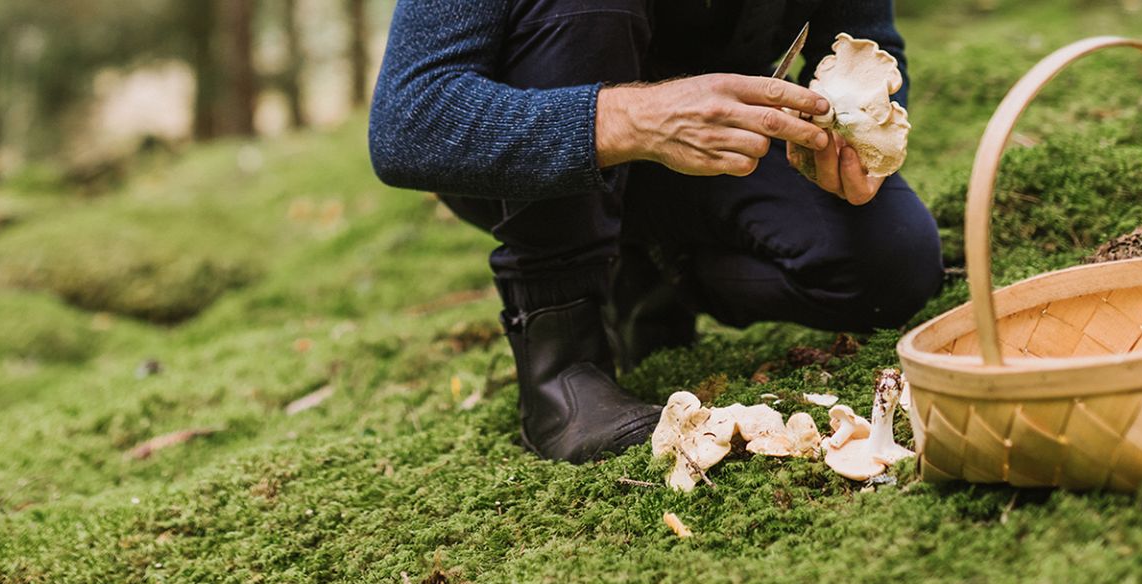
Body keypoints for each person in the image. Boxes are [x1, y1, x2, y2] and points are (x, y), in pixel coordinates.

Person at [368, 0, 942, 463]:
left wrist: (857, 138)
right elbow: (408, 122)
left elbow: (866, 37)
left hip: (710, 145)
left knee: (890, 261)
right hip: (533, 146)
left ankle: (649, 272)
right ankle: (562, 363)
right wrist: (637, 119)